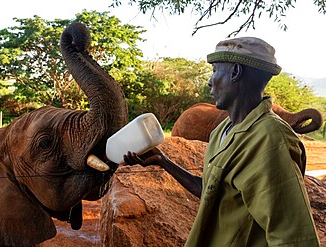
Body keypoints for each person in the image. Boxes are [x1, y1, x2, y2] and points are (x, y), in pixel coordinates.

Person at [123, 37, 320, 246]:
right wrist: (163, 162)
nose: (210, 81)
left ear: (235, 72)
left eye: (215, 70)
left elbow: (293, 237)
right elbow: (211, 191)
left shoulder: (271, 140)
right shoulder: (222, 131)